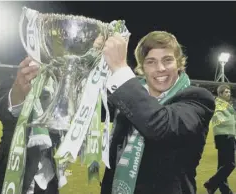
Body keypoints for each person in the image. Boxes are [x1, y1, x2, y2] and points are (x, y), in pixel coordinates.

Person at [95, 31, 216, 194]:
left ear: (179, 63)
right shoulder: (127, 96)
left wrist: (120, 70)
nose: (160, 68)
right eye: (151, 62)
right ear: (141, 68)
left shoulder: (198, 98)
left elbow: (161, 125)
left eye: (167, 60)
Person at [0, 57, 59, 194]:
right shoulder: (14, 82)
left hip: (48, 178)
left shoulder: (56, 88)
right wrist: (18, 92)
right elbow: (4, 111)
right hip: (11, 168)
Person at [204, 85, 236, 194]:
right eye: (226, 92)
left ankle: (224, 190)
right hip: (224, 135)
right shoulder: (218, 104)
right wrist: (225, 122)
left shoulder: (227, 105)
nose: (228, 94)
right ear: (220, 94)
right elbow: (217, 117)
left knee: (222, 165)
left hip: (228, 135)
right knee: (230, 164)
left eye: (229, 92)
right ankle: (211, 183)